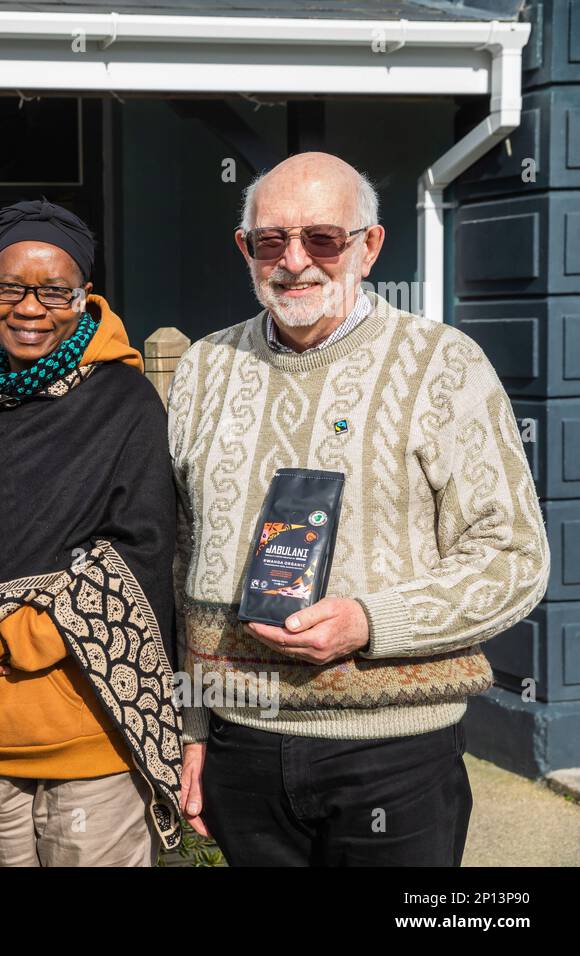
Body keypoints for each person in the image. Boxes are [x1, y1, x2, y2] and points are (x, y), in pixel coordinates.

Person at [167, 151, 550, 866]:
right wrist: (192, 731)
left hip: (392, 751)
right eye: (271, 241)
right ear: (245, 249)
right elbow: (183, 557)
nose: (295, 262)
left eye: (322, 238)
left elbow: (514, 558)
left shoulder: (443, 365)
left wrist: (373, 622)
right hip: (240, 745)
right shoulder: (203, 368)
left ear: (369, 246)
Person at [0, 198, 203, 867]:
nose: (31, 308)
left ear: (85, 295)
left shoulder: (122, 405)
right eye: (10, 288)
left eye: (54, 290)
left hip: (89, 736)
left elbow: (135, 559)